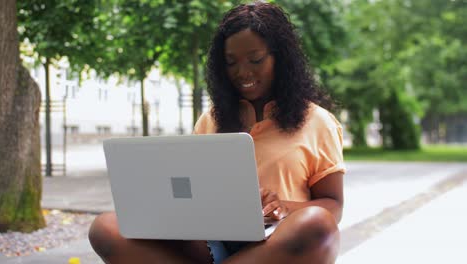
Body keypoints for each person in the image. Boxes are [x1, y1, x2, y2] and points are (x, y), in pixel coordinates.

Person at [88, 2, 345, 263]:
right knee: (106, 227)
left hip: (274, 246)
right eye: (231, 62)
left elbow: (333, 204)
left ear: (281, 57)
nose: (243, 72)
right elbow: (190, 193)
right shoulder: (210, 120)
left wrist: (284, 207)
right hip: (209, 245)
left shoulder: (319, 122)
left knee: (317, 225)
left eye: (255, 60)